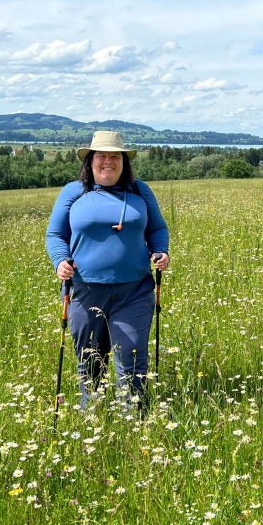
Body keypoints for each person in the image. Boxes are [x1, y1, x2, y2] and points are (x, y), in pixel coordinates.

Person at [45, 131, 170, 412]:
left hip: (135, 291)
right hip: (85, 291)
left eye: (115, 156)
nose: (108, 161)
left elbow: (157, 228)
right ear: (90, 160)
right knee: (90, 359)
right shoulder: (73, 192)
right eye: (101, 155)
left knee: (133, 358)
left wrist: (161, 250)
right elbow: (55, 234)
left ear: (124, 162)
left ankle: (135, 418)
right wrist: (60, 260)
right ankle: (93, 414)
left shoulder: (140, 191)